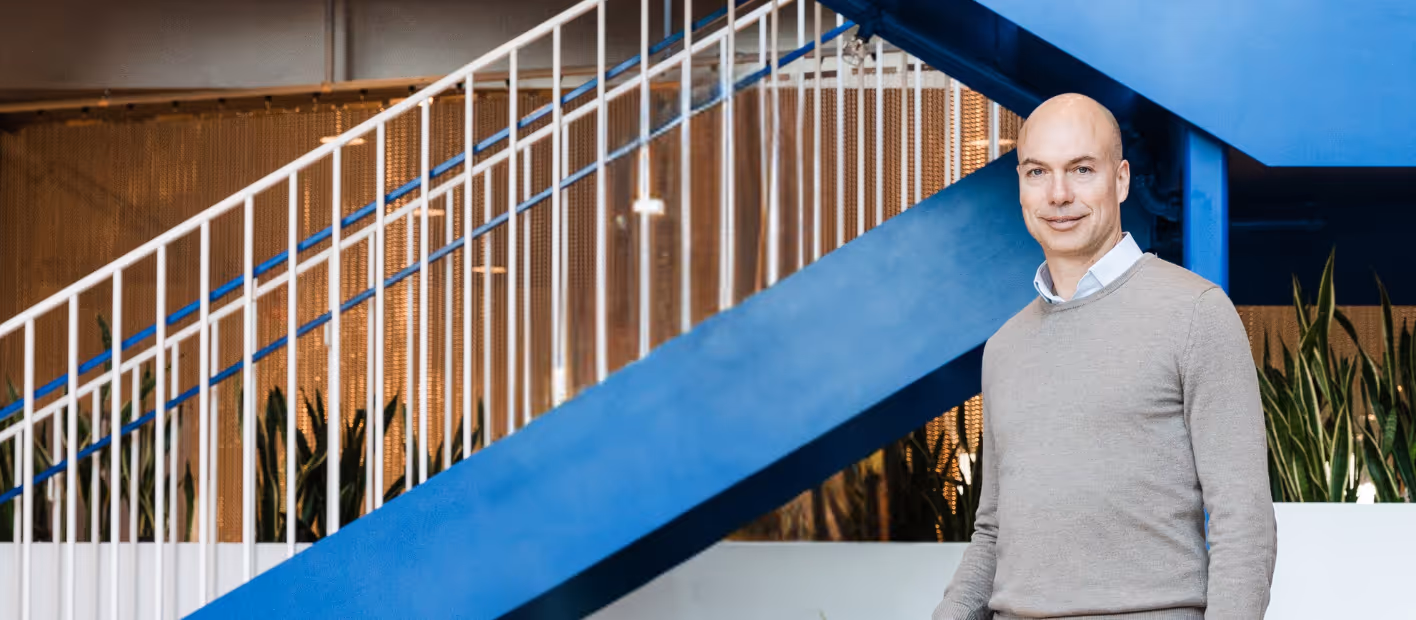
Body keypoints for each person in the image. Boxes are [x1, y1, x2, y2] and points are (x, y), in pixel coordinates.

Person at [932, 94, 1277, 620]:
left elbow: (1243, 522)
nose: (1058, 194)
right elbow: (993, 531)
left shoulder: (1196, 312)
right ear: (1021, 189)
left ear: (1119, 181)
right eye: (1037, 172)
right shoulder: (1005, 348)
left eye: (1081, 169)